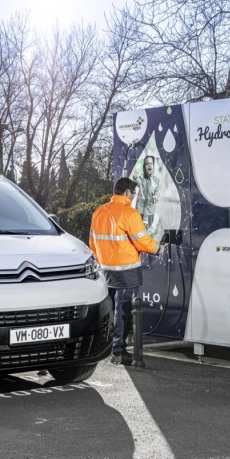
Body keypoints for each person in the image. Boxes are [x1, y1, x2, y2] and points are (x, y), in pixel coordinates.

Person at [89, 178, 166, 365]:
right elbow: (142, 241)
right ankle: (119, 352)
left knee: (110, 309)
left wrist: (101, 262)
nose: (133, 198)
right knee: (122, 310)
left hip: (106, 270)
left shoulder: (99, 212)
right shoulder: (129, 213)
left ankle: (106, 349)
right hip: (126, 270)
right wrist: (159, 249)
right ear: (127, 193)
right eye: (133, 194)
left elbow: (92, 242)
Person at [132, 156, 160, 228]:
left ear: (153, 166)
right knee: (138, 228)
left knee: (148, 228)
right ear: (144, 167)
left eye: (151, 163)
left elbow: (158, 192)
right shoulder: (141, 178)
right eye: (147, 164)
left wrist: (155, 197)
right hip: (140, 209)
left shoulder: (156, 180)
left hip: (150, 210)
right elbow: (136, 182)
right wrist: (135, 178)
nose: (149, 165)